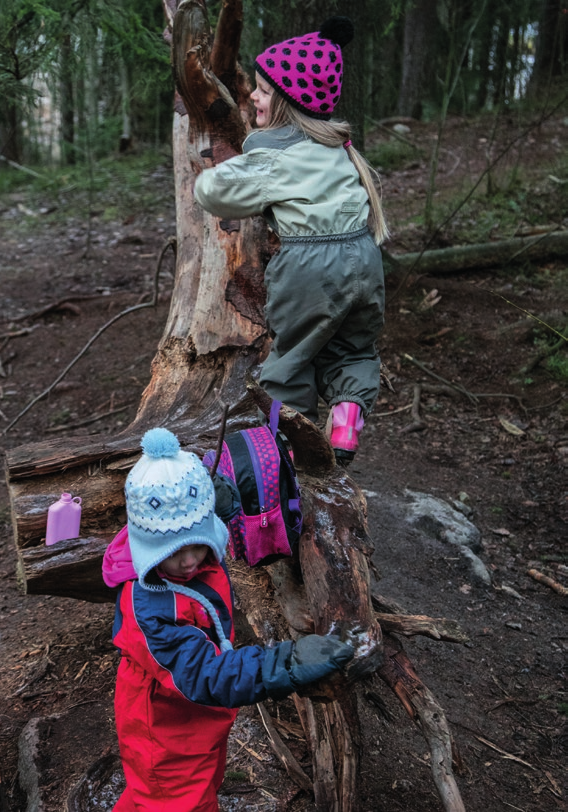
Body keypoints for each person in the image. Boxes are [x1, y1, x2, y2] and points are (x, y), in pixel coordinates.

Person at [102, 427, 355, 812]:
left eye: (198, 542)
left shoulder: (191, 547)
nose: (189, 560)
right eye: (173, 550)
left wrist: (222, 493)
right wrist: (283, 665)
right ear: (149, 545)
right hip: (167, 730)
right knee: (177, 802)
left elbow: (202, 515)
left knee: (176, 793)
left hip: (200, 719)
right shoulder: (150, 610)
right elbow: (202, 673)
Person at [194, 17, 389, 464]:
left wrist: (211, 173)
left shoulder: (276, 153)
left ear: (285, 100)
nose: (253, 96)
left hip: (310, 271)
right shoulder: (338, 148)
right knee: (353, 348)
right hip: (363, 259)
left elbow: (213, 193)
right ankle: (344, 418)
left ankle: (291, 453)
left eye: (262, 90)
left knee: (294, 355)